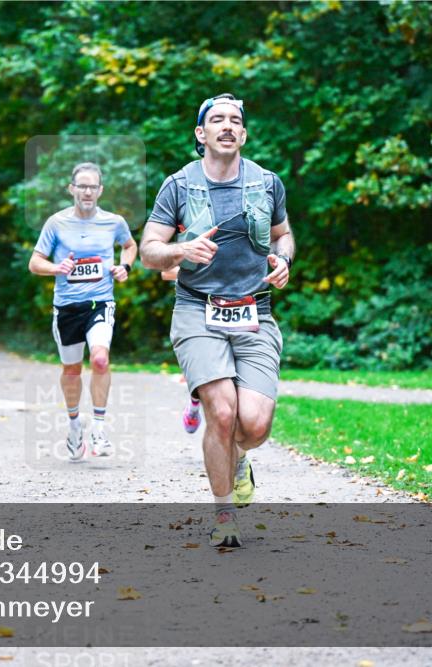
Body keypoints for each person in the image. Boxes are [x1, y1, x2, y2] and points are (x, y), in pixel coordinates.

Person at [139, 94, 295, 548]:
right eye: (217, 120)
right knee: (221, 413)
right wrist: (179, 250)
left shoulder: (267, 183)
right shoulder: (179, 186)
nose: (227, 127)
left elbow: (284, 235)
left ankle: (240, 457)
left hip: (255, 311)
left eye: (235, 121)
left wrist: (283, 260)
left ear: (243, 135)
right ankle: (224, 515)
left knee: (254, 425)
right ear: (200, 133)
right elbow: (149, 249)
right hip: (197, 310)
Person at [29, 162, 138, 461]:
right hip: (66, 308)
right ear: (72, 189)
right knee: (72, 370)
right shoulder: (56, 223)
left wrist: (124, 267)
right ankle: (75, 424)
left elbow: (130, 246)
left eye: (93, 187)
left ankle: (99, 430)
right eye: (82, 186)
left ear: (100, 190)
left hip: (100, 303)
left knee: (100, 359)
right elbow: (34, 262)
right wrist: (56, 267)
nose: (87, 191)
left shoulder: (114, 222)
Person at [161, 266, 202, 434]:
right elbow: (166, 272)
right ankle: (194, 405)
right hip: (195, 309)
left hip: (233, 309)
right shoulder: (191, 241)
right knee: (200, 368)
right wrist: (210, 274)